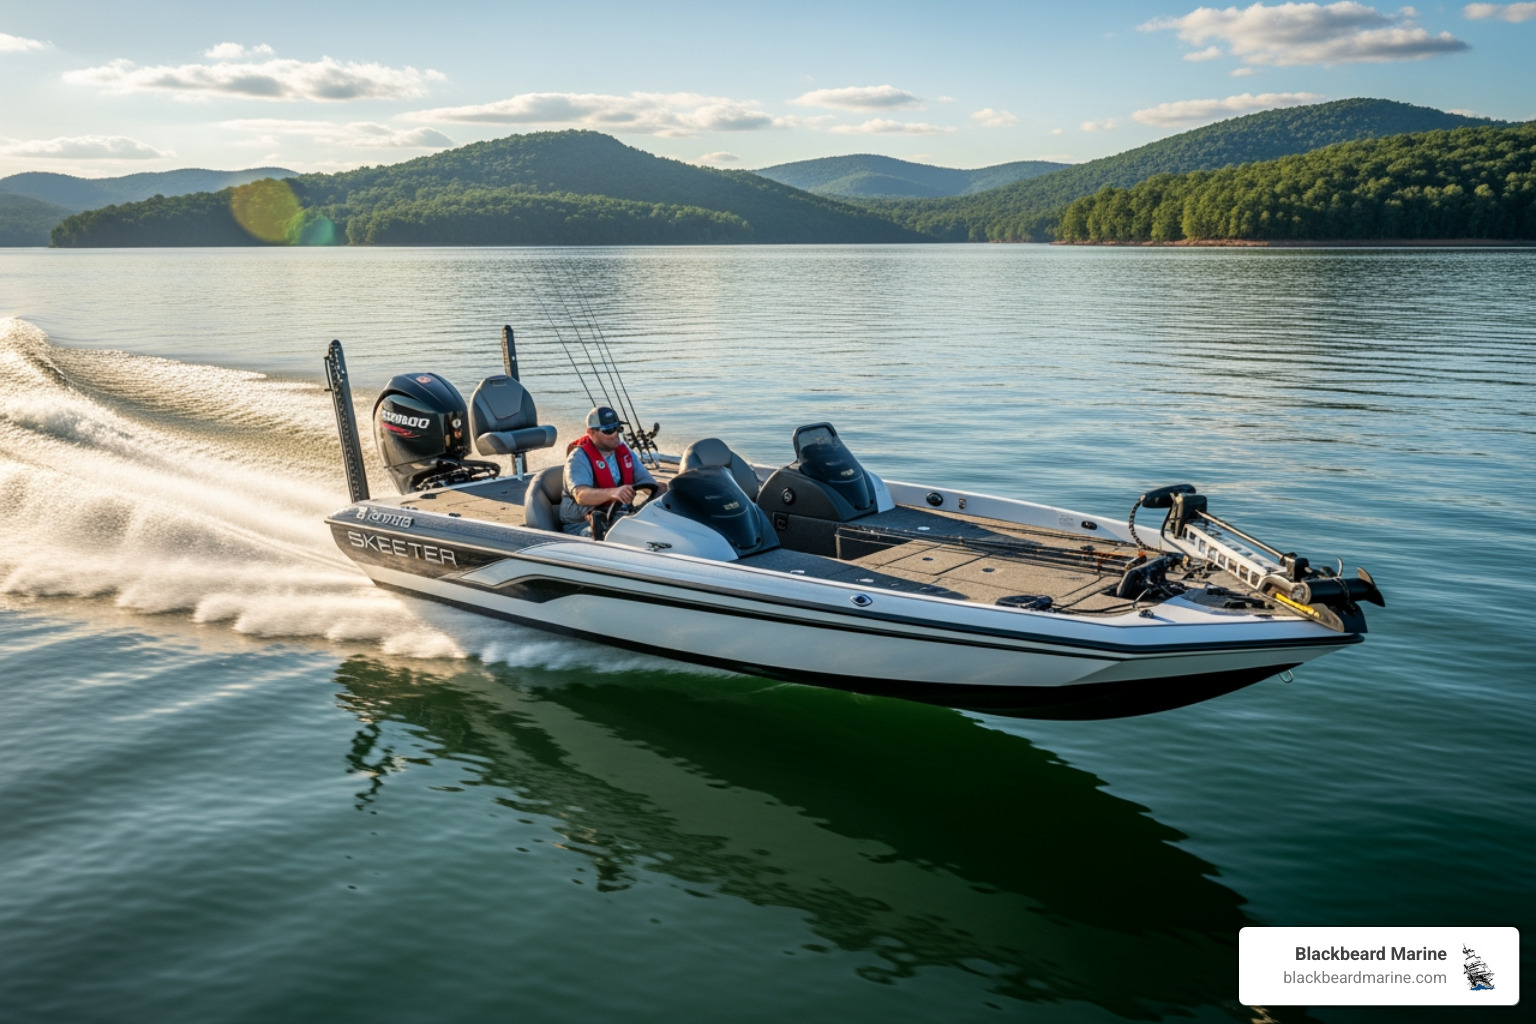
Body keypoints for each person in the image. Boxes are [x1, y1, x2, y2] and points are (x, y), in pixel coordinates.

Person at [560, 406, 667, 536]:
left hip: (620, 517)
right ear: (591, 432)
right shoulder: (578, 457)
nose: (615, 434)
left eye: (618, 428)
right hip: (582, 525)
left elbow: (648, 485)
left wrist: (659, 491)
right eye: (609, 430)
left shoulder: (625, 452)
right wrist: (614, 493)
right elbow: (581, 495)